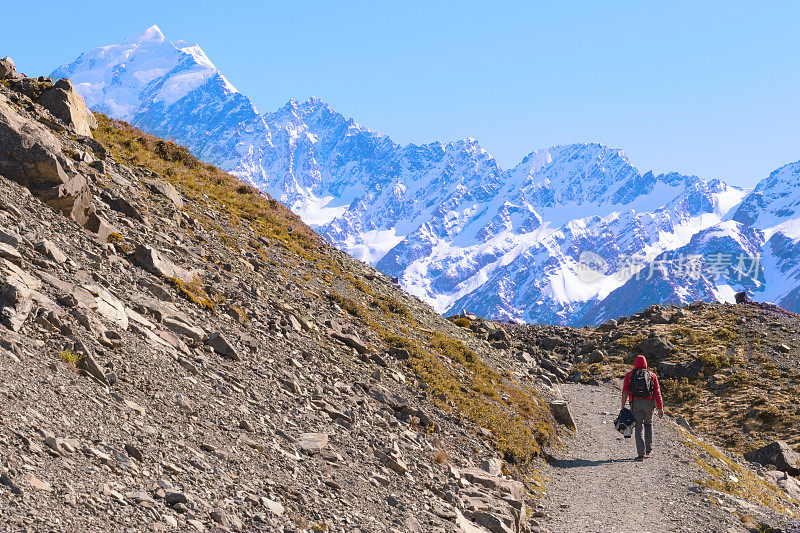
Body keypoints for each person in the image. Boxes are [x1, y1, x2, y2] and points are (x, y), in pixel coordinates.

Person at [621, 355, 664, 461]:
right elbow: (657, 392)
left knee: (638, 427)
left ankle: (640, 455)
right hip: (649, 403)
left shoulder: (629, 375)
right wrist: (660, 407)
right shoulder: (652, 375)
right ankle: (648, 451)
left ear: (635, 363)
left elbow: (625, 391)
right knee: (648, 425)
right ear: (645, 363)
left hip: (635, 403)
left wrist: (622, 406)